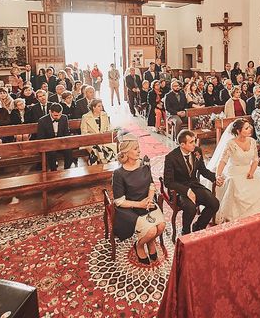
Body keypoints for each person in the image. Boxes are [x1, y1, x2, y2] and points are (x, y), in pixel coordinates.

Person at [207, 119, 260, 222]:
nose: (250, 129)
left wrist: (251, 172)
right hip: (234, 171)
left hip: (249, 169)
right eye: (246, 128)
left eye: (249, 127)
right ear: (238, 131)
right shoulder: (231, 143)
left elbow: (255, 159)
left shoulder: (252, 141)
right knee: (234, 183)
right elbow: (223, 161)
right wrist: (218, 175)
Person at [112, 135, 166, 264]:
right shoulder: (119, 173)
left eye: (138, 148)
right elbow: (119, 201)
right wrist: (139, 204)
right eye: (135, 149)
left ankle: (151, 241)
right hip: (130, 208)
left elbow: (151, 184)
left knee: (161, 226)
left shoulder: (144, 163)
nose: (139, 151)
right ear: (126, 152)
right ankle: (139, 245)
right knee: (151, 230)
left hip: (146, 203)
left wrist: (149, 197)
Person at [164, 130, 223, 235]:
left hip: (194, 185)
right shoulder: (171, 158)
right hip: (179, 190)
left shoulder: (197, 151)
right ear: (182, 145)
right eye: (191, 142)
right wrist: (187, 191)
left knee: (214, 203)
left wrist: (215, 177)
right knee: (190, 208)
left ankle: (198, 226)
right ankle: (185, 231)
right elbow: (168, 182)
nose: (194, 144)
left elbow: (203, 170)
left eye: (194, 141)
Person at [37, 103, 73, 170]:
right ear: (50, 112)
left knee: (69, 150)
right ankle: (53, 172)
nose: (58, 117)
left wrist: (64, 143)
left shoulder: (64, 118)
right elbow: (40, 137)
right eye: (55, 115)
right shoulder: (42, 121)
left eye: (60, 115)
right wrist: (51, 143)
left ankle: (67, 170)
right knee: (51, 153)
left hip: (61, 142)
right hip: (49, 143)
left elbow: (66, 133)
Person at [80, 99, 116, 163]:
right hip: (91, 141)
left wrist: (105, 134)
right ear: (93, 107)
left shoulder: (104, 115)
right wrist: (94, 138)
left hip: (103, 140)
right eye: (99, 106)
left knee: (109, 146)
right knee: (96, 148)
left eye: (101, 106)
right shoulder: (85, 117)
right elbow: (84, 132)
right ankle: (101, 163)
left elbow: (108, 128)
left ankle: (104, 164)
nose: (101, 108)